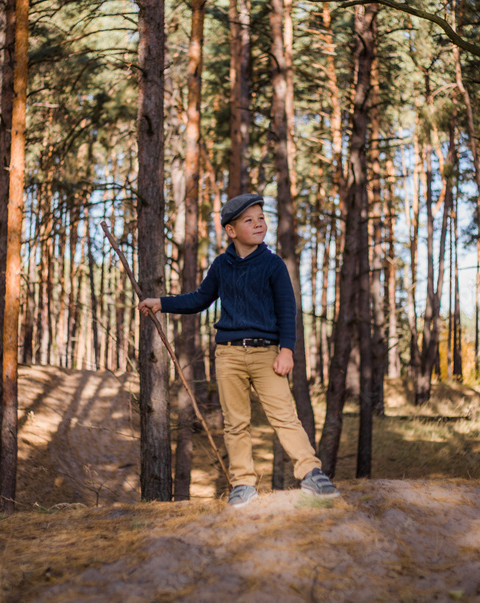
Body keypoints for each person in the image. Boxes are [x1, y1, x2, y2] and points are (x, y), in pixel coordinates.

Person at [139, 193, 339, 507]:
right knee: (235, 423)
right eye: (249, 220)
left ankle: (311, 473)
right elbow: (199, 299)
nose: (259, 224)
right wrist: (161, 303)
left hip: (266, 354)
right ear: (231, 231)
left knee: (285, 417)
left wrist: (286, 350)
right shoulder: (221, 266)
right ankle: (243, 485)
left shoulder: (273, 265)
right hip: (228, 354)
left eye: (261, 218)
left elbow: (287, 310)